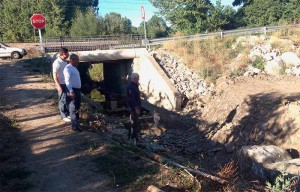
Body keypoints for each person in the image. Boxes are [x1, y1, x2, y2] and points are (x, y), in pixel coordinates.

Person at [63, 54, 82, 132]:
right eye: (77, 60)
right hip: (72, 91)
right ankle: (74, 126)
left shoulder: (74, 68)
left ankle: (77, 123)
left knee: (77, 107)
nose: (78, 61)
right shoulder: (67, 69)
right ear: (72, 60)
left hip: (77, 90)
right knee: (73, 108)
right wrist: (71, 91)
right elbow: (67, 81)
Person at [52, 47, 70, 122]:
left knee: (67, 99)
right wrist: (58, 86)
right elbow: (54, 76)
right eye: (67, 53)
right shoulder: (57, 62)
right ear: (64, 54)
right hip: (61, 84)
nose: (68, 54)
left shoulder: (65, 61)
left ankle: (67, 114)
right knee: (62, 100)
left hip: (66, 83)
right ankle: (63, 116)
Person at [127, 73, 141, 144]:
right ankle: (133, 137)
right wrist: (136, 108)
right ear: (134, 79)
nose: (138, 80)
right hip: (133, 108)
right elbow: (132, 99)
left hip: (135, 107)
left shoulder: (134, 86)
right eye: (138, 79)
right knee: (134, 122)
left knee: (135, 122)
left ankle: (133, 137)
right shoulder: (131, 87)